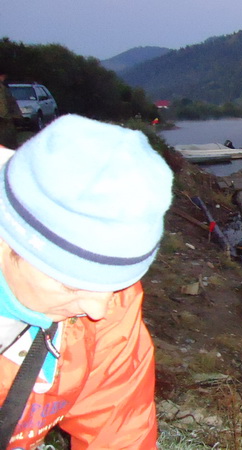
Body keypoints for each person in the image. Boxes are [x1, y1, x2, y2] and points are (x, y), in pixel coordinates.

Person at [0, 115, 173, 449]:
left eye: (115, 283)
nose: (98, 310)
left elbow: (119, 431)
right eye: (71, 285)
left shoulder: (110, 301)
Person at [0, 68, 22, 149]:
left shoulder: (4, 87)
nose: (4, 78)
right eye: (3, 76)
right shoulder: (2, 88)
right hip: (4, 121)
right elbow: (3, 105)